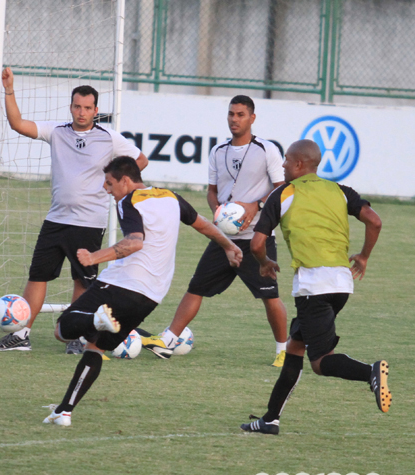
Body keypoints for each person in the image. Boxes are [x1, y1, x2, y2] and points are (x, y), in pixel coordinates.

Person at [44, 156, 241, 426]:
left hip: (121, 284)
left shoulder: (129, 201)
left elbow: (135, 242)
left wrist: (93, 257)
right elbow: (204, 225)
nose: (106, 188)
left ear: (126, 181)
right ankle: (64, 411)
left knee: (61, 330)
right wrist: (229, 246)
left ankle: (94, 319)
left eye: (110, 183)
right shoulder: (170, 197)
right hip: (150, 297)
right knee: (95, 348)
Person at [240, 140, 389, 435]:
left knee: (320, 363)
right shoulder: (339, 190)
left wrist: (264, 262)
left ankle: (371, 372)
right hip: (341, 284)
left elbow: (256, 243)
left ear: (298, 164)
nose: (282, 165)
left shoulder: (282, 194)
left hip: (313, 286)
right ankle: (270, 420)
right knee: (295, 348)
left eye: (285, 160)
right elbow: (374, 221)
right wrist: (363, 256)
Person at [0, 67, 148, 354]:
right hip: (55, 219)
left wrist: (113, 184)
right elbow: (17, 124)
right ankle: (22, 333)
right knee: (37, 277)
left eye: (87, 108)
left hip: (89, 222)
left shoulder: (109, 137)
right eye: (77, 106)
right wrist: (9, 89)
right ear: (71, 107)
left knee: (82, 281)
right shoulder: (57, 132)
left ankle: (78, 338)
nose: (82, 112)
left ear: (96, 110)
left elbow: (140, 160)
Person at [143, 95, 288, 366]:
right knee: (196, 288)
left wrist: (254, 205)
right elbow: (212, 192)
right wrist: (218, 213)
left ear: (252, 118)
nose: (235, 119)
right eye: (231, 114)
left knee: (270, 296)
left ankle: (284, 350)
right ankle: (168, 341)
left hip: (257, 238)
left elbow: (281, 188)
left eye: (241, 114)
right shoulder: (217, 151)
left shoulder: (266, 149)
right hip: (224, 238)